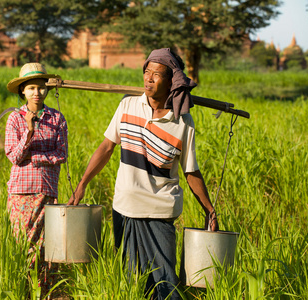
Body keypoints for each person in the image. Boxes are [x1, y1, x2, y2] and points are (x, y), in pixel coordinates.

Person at [68, 48, 219, 299]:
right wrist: (82, 184)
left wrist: (210, 210)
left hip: (160, 209)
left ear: (171, 81)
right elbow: (106, 147)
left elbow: (191, 170)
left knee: (165, 281)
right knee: (131, 281)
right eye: (146, 72)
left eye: (156, 74)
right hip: (125, 206)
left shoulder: (182, 122)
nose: (148, 78)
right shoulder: (128, 105)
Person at [5, 63, 68, 298]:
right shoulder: (15, 119)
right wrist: (29, 132)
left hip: (48, 191)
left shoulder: (57, 118)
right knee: (24, 244)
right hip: (22, 192)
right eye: (31, 88)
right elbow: (14, 156)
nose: (36, 93)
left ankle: (46, 292)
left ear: (47, 91)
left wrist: (37, 158)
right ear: (22, 91)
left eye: (41, 88)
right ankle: (23, 290)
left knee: (46, 245)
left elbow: (61, 154)